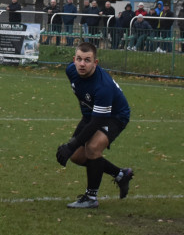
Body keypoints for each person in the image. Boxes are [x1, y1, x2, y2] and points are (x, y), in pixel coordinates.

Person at [56, 42, 134, 209]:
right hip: (91, 114)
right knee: (77, 156)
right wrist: (73, 147)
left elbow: (98, 122)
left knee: (92, 148)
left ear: (95, 63)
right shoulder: (71, 71)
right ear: (74, 60)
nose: (82, 64)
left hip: (115, 116)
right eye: (79, 59)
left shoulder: (102, 86)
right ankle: (120, 174)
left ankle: (91, 197)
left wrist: (71, 144)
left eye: (87, 60)